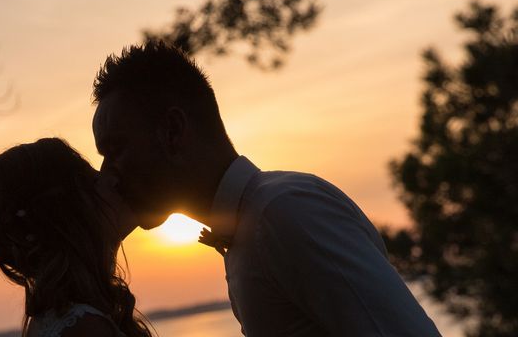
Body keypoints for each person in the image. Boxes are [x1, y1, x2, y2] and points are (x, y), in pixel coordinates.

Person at [92, 41, 443, 337]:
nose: (108, 176)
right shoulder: (251, 228)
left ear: (172, 131)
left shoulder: (285, 213)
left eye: (116, 150)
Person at [0, 137, 152, 337]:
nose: (112, 179)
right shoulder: (83, 328)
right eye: (92, 179)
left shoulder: (67, 319)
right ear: (68, 216)